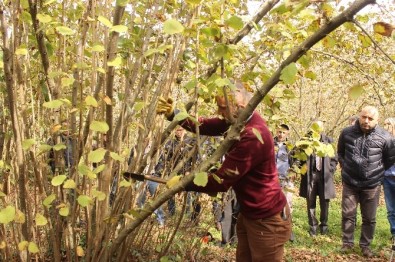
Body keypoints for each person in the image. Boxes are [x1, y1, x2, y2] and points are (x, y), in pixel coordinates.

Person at [157, 80, 291, 262]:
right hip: (249, 214)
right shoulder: (239, 120)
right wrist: (175, 114)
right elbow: (205, 125)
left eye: (222, 108)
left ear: (239, 106)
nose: (219, 113)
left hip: (266, 219)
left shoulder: (253, 134)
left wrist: (184, 182)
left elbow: (221, 180)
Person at [337, 106, 394, 258]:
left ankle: (365, 246)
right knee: (348, 214)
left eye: (370, 118)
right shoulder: (346, 133)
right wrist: (345, 166)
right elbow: (340, 152)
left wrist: (377, 172)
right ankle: (347, 243)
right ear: (359, 116)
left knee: (369, 218)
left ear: (377, 120)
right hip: (350, 182)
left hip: (372, 184)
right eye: (364, 117)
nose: (366, 121)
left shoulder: (386, 137)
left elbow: (389, 159)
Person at [298, 121, 338, 237]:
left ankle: (324, 226)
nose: (316, 130)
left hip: (324, 176)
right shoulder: (306, 142)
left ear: (322, 129)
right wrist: (302, 171)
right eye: (314, 128)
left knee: (324, 202)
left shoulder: (328, 141)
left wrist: (331, 169)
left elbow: (334, 158)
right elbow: (299, 158)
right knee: (310, 202)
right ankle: (313, 227)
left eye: (318, 128)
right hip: (310, 175)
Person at [274, 123, 296, 241]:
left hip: (286, 180)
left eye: (283, 132)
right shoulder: (270, 144)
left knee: (287, 205)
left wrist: (293, 171)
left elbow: (297, 160)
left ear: (287, 133)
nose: (281, 134)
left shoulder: (291, 146)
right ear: (276, 131)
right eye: (279, 132)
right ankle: (275, 231)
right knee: (272, 206)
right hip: (272, 180)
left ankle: (288, 232)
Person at [383, 117, 395, 241]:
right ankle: (394, 232)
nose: (386, 126)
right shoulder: (383, 140)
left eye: (388, 124)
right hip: (387, 178)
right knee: (391, 208)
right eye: (385, 124)